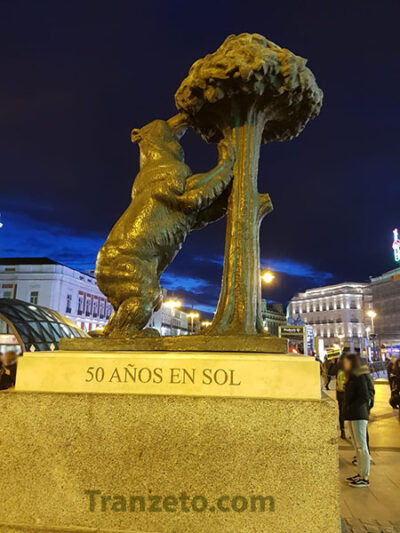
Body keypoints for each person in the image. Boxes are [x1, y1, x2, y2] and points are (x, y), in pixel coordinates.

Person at [343, 352, 374, 488]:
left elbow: (364, 396)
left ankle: (365, 476)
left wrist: (352, 407)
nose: (344, 364)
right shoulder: (352, 376)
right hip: (352, 414)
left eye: (346, 362)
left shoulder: (359, 376)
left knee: (362, 446)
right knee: (356, 446)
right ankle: (360, 473)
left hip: (359, 414)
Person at [336, 357, 346, 439]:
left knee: (342, 412)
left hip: (343, 394)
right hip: (341, 394)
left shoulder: (339, 370)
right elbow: (330, 372)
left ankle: (343, 430)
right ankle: (343, 430)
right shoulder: (338, 369)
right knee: (342, 412)